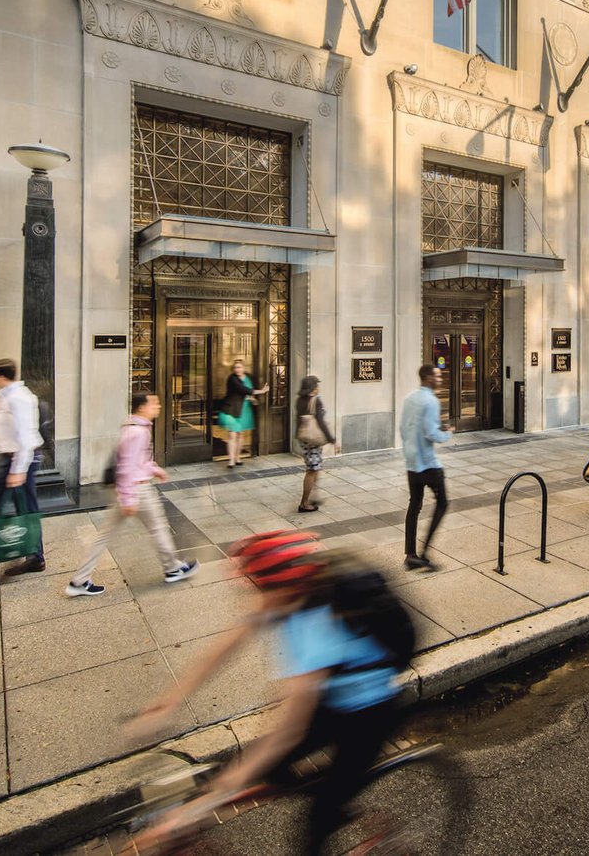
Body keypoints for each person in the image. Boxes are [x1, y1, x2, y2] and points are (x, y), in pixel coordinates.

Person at [128, 531, 402, 856]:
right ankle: (334, 798)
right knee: (276, 770)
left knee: (316, 823)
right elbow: (223, 648)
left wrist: (210, 800)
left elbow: (290, 729)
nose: (253, 594)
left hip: (369, 711)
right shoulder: (285, 595)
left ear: (282, 587)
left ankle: (338, 811)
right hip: (330, 696)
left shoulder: (315, 628)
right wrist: (168, 701)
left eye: (257, 585)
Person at [66, 393, 197, 597]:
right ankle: (172, 568)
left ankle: (79, 580)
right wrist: (128, 498)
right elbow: (126, 467)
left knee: (105, 536)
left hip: (129, 489)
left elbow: (137, 460)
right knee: (159, 529)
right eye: (154, 403)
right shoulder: (138, 432)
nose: (158, 406)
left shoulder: (135, 428)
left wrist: (154, 469)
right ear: (142, 407)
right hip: (137, 490)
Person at [0, 357, 44, 574]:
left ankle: (32, 554)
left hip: (21, 459)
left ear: (1, 376)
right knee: (20, 507)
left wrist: (18, 469)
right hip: (14, 459)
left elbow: (25, 435)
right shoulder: (9, 397)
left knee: (24, 508)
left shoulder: (18, 398)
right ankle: (24, 549)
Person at [399, 364, 452, 569]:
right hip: (429, 464)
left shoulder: (410, 398)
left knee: (415, 505)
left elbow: (404, 428)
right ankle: (424, 552)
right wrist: (447, 433)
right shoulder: (431, 401)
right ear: (427, 378)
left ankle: (410, 554)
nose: (440, 379)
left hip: (412, 463)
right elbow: (431, 433)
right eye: (437, 376)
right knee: (443, 504)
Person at [216, 359, 269, 468]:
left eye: (239, 367)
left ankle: (238, 457)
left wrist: (253, 399)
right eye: (235, 368)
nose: (237, 369)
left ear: (243, 368)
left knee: (240, 435)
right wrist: (261, 391)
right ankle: (231, 460)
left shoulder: (248, 377)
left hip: (244, 410)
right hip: (232, 410)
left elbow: (248, 392)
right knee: (232, 434)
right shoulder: (232, 378)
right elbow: (243, 389)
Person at [295, 375, 336, 513]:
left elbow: (299, 420)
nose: (318, 388)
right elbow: (320, 422)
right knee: (312, 470)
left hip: (304, 438)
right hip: (313, 440)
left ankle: (314, 495)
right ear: (313, 388)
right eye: (317, 385)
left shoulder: (300, 400)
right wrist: (331, 439)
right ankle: (304, 503)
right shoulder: (315, 401)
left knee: (315, 467)